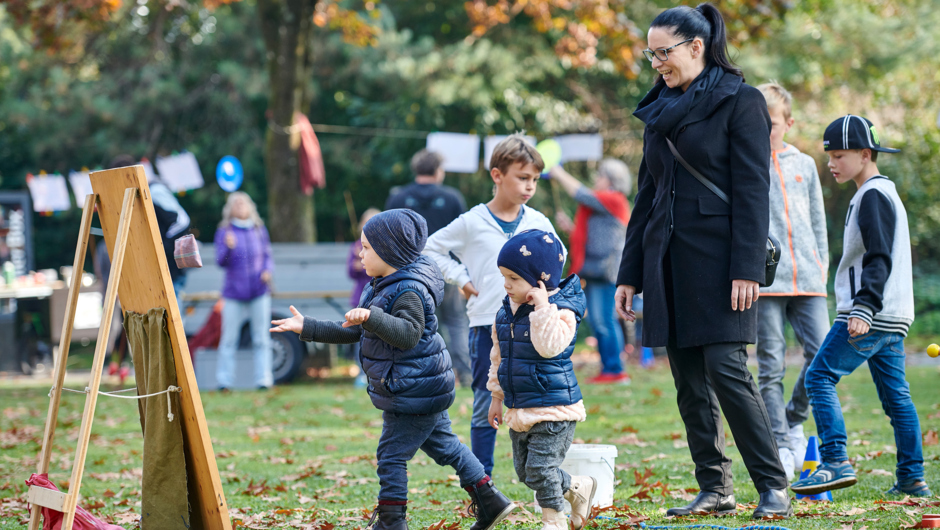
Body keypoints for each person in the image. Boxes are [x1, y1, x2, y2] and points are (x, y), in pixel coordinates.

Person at [613, 4, 791, 519]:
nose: (655, 64)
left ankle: (772, 484)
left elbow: (755, 191)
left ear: (696, 46)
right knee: (688, 379)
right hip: (666, 257)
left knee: (727, 370)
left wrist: (746, 268)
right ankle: (715, 487)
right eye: (650, 54)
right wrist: (629, 273)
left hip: (722, 260)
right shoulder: (657, 109)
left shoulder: (743, 101)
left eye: (662, 52)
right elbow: (647, 194)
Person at [271, 209, 516, 530]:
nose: (360, 253)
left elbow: (407, 334)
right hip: (418, 385)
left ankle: (391, 522)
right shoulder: (381, 284)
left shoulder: (409, 290)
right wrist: (308, 326)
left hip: (413, 389)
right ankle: (491, 500)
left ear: (390, 251)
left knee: (390, 455)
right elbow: (353, 329)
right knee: (446, 446)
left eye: (367, 248)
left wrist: (372, 317)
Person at [791, 116, 930, 498]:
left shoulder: (872, 195)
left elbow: (879, 257)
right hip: (894, 315)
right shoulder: (883, 193)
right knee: (896, 397)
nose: (832, 163)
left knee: (818, 376)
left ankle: (835, 461)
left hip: (870, 313)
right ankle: (912, 478)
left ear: (865, 154)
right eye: (830, 156)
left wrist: (863, 306)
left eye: (839, 155)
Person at [424, 133, 558, 477]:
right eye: (522, 178)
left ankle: (540, 472)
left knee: (535, 399)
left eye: (535, 180)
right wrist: (463, 279)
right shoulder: (472, 221)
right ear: (497, 175)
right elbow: (430, 248)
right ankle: (480, 479)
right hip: (487, 324)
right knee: (486, 398)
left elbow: (558, 258)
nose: (530, 186)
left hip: (531, 326)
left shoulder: (539, 222)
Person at [486, 230, 596, 530]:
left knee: (541, 469)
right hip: (520, 407)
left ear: (540, 283)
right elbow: (499, 357)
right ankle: (577, 488)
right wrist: (496, 398)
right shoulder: (505, 312)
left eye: (514, 278)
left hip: (554, 406)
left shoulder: (561, 311)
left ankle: (554, 520)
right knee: (526, 473)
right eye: (504, 276)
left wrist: (543, 308)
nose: (506, 284)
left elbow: (550, 346)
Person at [753, 83, 830, 480]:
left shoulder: (804, 165)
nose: (766, 129)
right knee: (770, 367)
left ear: (788, 123)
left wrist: (823, 266)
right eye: (759, 122)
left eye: (773, 123)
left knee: (822, 355)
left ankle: (792, 418)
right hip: (767, 284)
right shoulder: (744, 164)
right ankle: (781, 444)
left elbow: (817, 221)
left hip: (810, 280)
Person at [386, 150, 472, 387]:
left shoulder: (397, 198)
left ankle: (432, 373)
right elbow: (464, 239)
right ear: (438, 171)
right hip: (447, 271)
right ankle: (465, 374)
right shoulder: (453, 198)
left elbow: (388, 238)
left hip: (411, 275)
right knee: (456, 322)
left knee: (420, 324)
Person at [549, 160, 632, 384]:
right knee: (598, 320)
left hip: (605, 270)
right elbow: (596, 235)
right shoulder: (607, 203)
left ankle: (615, 370)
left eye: (600, 175)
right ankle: (609, 368)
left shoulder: (614, 199)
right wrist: (571, 228)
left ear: (611, 180)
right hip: (595, 269)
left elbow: (581, 194)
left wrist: (558, 172)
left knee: (604, 320)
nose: (596, 179)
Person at [214, 192, 274, 391]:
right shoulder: (224, 231)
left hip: (259, 290)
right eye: (236, 203)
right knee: (229, 338)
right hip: (233, 292)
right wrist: (228, 248)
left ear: (250, 207)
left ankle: (263, 380)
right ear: (230, 209)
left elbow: (267, 256)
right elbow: (220, 261)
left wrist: (267, 271)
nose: (240, 206)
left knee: (261, 338)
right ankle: (224, 381)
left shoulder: (258, 229)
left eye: (243, 203)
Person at [348, 208, 381, 387]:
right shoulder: (355, 247)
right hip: (361, 296)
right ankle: (361, 373)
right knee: (359, 336)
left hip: (378, 298)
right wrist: (356, 265)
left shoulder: (382, 248)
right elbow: (350, 272)